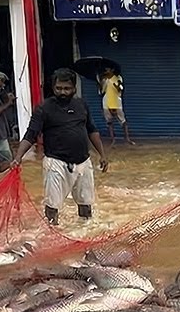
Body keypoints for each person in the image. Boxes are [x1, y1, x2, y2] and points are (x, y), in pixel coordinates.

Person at [10, 69, 110, 225]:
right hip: (55, 163)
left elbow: (92, 130)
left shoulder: (81, 105)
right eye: (59, 88)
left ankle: (85, 230)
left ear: (74, 88)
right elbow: (30, 135)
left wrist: (102, 155)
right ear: (53, 87)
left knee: (86, 203)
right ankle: (52, 230)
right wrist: (18, 157)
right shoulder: (44, 109)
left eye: (67, 88)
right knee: (52, 204)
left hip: (83, 163)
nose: (63, 92)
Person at [99, 66, 133, 145]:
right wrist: (100, 82)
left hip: (116, 102)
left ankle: (127, 138)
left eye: (107, 69)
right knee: (109, 122)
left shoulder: (118, 78)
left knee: (123, 121)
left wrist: (117, 86)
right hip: (106, 102)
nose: (105, 70)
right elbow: (102, 91)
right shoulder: (105, 79)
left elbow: (120, 88)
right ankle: (113, 140)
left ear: (112, 70)